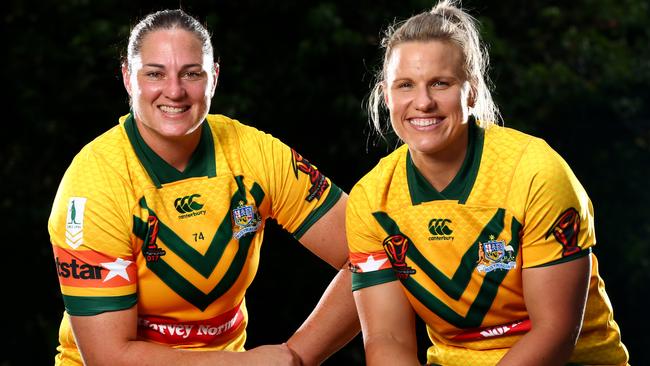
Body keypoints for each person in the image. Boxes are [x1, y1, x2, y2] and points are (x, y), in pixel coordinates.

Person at [48, 9, 359, 366]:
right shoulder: (93, 183)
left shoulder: (254, 153)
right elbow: (108, 358)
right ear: (128, 79)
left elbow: (371, 253)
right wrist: (249, 365)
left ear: (213, 78)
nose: (175, 91)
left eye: (191, 74)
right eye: (155, 73)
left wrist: (298, 356)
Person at [346, 1, 629, 365]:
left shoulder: (536, 172)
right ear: (387, 96)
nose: (423, 102)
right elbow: (388, 340)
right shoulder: (371, 199)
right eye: (405, 86)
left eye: (440, 83)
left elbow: (555, 332)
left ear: (472, 90)